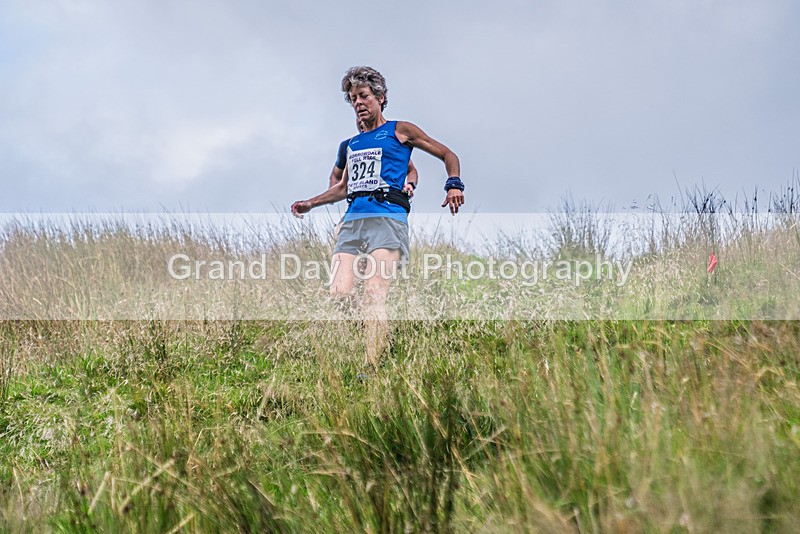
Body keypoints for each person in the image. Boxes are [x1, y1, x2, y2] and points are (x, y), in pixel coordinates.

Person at [291, 66, 464, 368]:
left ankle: (371, 367)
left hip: (387, 220)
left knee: (374, 293)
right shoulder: (352, 144)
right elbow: (343, 188)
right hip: (353, 223)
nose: (358, 102)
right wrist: (311, 203)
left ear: (381, 98)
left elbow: (448, 154)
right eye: (353, 98)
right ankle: (378, 332)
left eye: (364, 96)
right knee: (340, 294)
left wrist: (453, 184)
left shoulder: (400, 130)